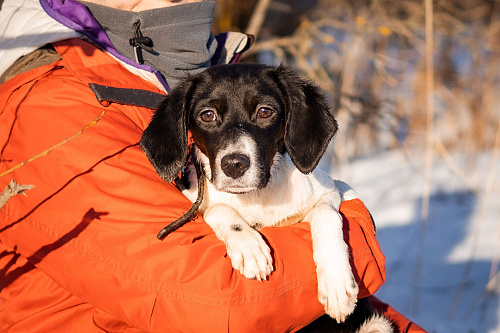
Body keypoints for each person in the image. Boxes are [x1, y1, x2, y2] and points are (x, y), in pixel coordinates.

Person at [0, 0, 424, 331]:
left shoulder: (194, 72)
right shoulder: (48, 107)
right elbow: (219, 303)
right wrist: (354, 233)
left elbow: (334, 309)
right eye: (208, 118)